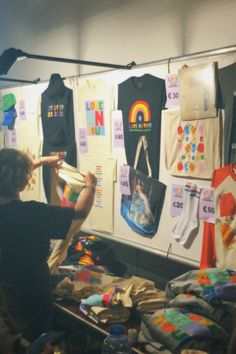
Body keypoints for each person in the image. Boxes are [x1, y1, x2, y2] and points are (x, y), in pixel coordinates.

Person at [0, 148, 97, 341]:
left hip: (5, 290)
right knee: (37, 339)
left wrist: (41, 162)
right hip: (31, 289)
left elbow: (10, 174)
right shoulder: (31, 213)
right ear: (22, 180)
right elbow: (80, 211)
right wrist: (91, 186)